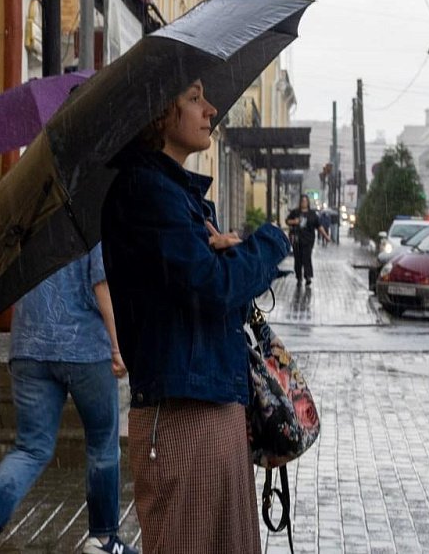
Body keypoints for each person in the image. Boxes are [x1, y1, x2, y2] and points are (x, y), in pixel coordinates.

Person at [101, 79, 290, 554]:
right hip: (184, 415)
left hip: (213, 404)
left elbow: (203, 283)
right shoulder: (146, 190)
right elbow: (213, 288)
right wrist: (265, 244)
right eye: (193, 98)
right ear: (160, 114)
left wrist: (229, 253)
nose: (211, 109)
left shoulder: (175, 194)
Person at [0, 245, 137, 554]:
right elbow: (101, 284)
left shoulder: (27, 224)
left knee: (30, 447)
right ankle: (103, 540)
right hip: (85, 349)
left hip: (29, 348)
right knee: (102, 445)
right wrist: (118, 347)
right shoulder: (86, 220)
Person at [285, 194, 331, 285]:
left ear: (308, 202)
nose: (304, 203)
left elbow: (319, 226)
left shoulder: (312, 214)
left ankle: (308, 276)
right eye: (302, 201)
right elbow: (287, 221)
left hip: (308, 240)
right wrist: (294, 221)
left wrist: (326, 236)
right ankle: (299, 277)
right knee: (298, 259)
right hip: (297, 239)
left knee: (307, 258)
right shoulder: (295, 212)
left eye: (305, 201)